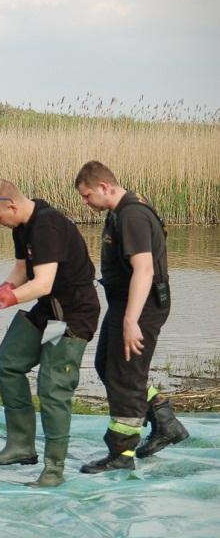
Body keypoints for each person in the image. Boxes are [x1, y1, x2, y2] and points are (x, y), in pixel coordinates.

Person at [0, 180, 99, 487]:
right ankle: (21, 446)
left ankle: (53, 470)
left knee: (52, 387)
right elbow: (21, 273)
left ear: (11, 206)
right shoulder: (21, 226)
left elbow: (43, 284)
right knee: (9, 363)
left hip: (71, 315)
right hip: (48, 313)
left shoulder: (47, 225)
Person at [74, 161, 188, 473]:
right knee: (106, 366)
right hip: (125, 303)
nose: (85, 203)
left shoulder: (132, 215)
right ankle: (164, 420)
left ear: (104, 187)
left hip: (141, 306)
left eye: (86, 196)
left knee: (125, 376)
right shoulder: (120, 210)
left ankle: (121, 455)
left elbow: (145, 269)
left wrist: (130, 321)